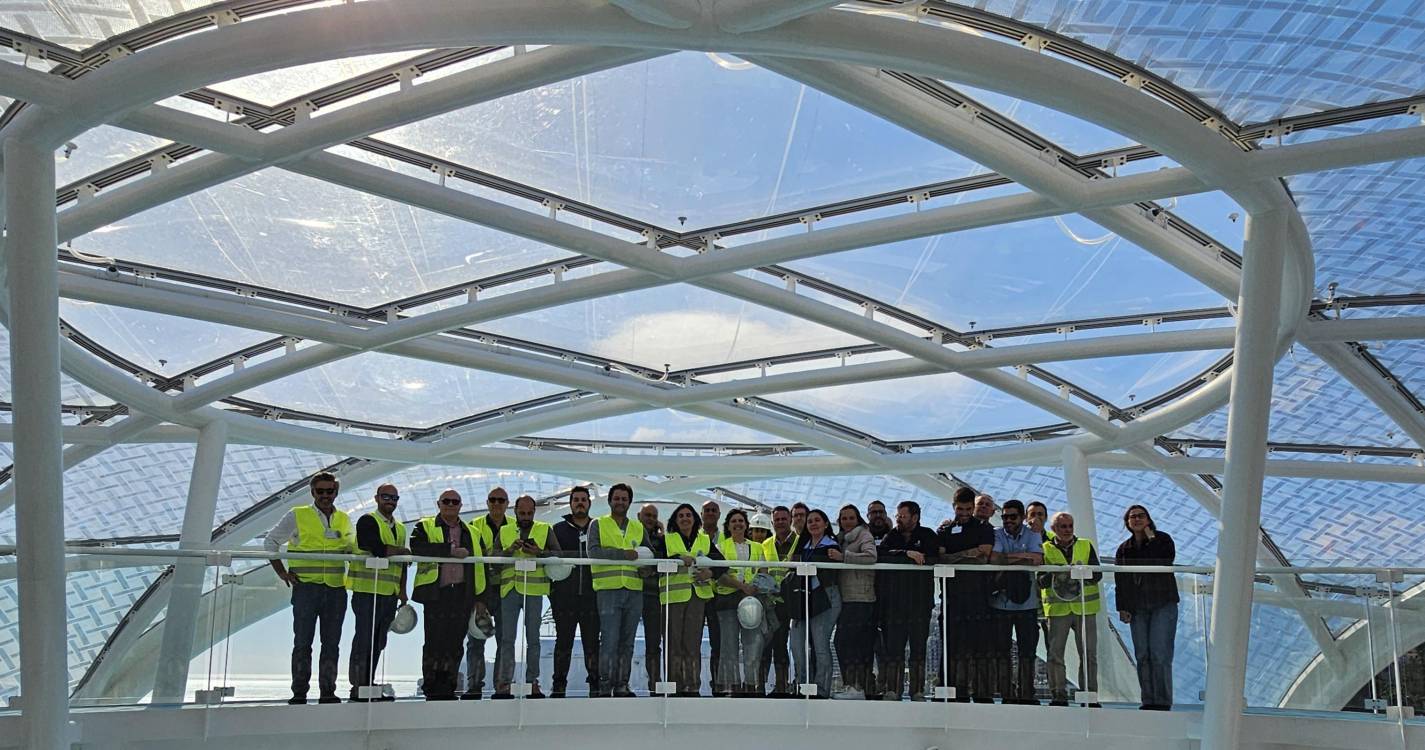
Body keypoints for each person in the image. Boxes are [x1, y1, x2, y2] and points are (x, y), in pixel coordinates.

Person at [267, 472, 354, 705]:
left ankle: (328, 691)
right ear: (312, 492)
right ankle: (299, 692)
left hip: (336, 589)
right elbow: (270, 541)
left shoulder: (344, 519)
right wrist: (281, 572)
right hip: (306, 589)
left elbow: (350, 548)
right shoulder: (297, 515)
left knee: (331, 644)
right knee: (303, 642)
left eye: (330, 491)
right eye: (320, 491)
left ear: (336, 491)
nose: (325, 496)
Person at [410, 489, 487, 701]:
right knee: (434, 641)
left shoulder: (472, 532)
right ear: (438, 504)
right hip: (436, 593)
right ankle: (432, 687)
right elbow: (417, 547)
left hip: (462, 594)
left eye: (455, 502)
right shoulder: (424, 526)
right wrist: (450, 552)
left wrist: (480, 598)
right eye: (446, 501)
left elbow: (481, 565)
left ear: (461, 506)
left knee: (455, 642)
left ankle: (449, 686)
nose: (450, 505)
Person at [345, 483, 409, 702]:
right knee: (364, 639)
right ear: (376, 498)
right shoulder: (368, 521)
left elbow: (402, 563)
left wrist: (402, 591)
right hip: (366, 592)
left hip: (388, 593)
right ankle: (358, 687)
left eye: (394, 497)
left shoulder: (399, 528)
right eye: (385, 497)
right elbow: (374, 546)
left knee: (378, 641)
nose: (389, 501)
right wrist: (399, 551)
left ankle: (369, 685)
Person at [492, 494, 560, 699]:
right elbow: (493, 558)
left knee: (533, 639)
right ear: (515, 511)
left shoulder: (544, 529)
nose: (526, 516)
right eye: (522, 513)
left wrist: (539, 552)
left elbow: (558, 555)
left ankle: (532, 682)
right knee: (507, 638)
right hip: (510, 589)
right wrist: (509, 550)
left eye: (530, 513)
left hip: (534, 590)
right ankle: (504, 683)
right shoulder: (504, 531)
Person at [1115, 505, 1178, 711]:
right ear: (1127, 523)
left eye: (1141, 516)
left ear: (1148, 519)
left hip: (1162, 603)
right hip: (1138, 607)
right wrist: (1122, 607)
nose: (1137, 520)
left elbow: (1165, 559)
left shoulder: (1162, 540)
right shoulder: (1124, 548)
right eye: (1132, 517)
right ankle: (1148, 699)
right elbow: (1121, 579)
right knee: (1142, 653)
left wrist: (1151, 537)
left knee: (1160, 653)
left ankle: (1162, 700)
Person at [877, 500, 938, 701]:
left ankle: (917, 690)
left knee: (918, 646)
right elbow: (882, 554)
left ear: (915, 517)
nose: (899, 520)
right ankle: (893, 689)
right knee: (894, 646)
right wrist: (907, 554)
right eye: (898, 516)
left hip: (920, 601)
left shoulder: (928, 535)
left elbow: (932, 557)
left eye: (903, 516)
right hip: (895, 602)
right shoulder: (892, 536)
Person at [938, 487, 995, 702]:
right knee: (950, 645)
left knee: (978, 646)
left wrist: (954, 556)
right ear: (954, 507)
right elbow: (940, 558)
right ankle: (950, 690)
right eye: (960, 509)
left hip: (977, 596)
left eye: (968, 509)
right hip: (952, 597)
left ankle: (980, 692)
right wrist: (968, 555)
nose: (963, 513)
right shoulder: (944, 530)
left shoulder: (983, 528)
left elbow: (984, 555)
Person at [1040, 512, 1102, 707]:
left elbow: (1097, 574)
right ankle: (1058, 694)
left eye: (1069, 526)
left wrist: (1082, 573)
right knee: (1055, 653)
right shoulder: (1044, 549)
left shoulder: (1085, 545)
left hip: (1084, 607)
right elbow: (1040, 579)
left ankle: (1089, 695)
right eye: (1062, 527)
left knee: (1089, 653)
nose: (1067, 530)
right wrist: (1058, 575)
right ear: (1054, 530)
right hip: (1058, 609)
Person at [588, 483, 644, 697]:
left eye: (624, 499)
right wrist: (623, 554)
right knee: (609, 640)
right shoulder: (598, 524)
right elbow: (593, 552)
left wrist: (646, 569)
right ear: (609, 501)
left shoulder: (638, 527)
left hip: (634, 590)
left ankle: (622, 684)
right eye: (617, 498)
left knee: (627, 641)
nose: (620, 502)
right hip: (608, 590)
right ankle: (605, 685)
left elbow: (648, 553)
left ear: (629, 502)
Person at [660, 503, 719, 696]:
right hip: (674, 598)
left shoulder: (704, 540)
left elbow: (722, 564)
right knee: (673, 644)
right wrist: (677, 558)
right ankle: (674, 687)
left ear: (695, 519)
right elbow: (655, 562)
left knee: (693, 644)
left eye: (688, 515)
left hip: (697, 598)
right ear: (675, 521)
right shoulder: (666, 540)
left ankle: (692, 686)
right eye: (680, 516)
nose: (685, 519)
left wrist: (709, 572)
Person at [990, 499, 1042, 705]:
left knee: (1027, 649)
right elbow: (994, 558)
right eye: (1005, 517)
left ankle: (1027, 692)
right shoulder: (997, 533)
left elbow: (1037, 559)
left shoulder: (1032, 534)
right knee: (1001, 649)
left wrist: (1008, 556)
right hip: (1001, 603)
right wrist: (1024, 557)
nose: (1008, 520)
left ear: (1021, 517)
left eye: (1012, 517)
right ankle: (1007, 692)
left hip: (1027, 604)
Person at [550, 485, 599, 697]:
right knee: (563, 641)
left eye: (583, 499)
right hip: (564, 596)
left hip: (592, 596)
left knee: (592, 642)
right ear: (570, 503)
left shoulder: (597, 528)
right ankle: (559, 684)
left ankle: (595, 684)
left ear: (589, 503)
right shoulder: (558, 529)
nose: (580, 503)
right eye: (576, 499)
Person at [462, 487, 511, 699]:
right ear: (487, 502)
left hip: (507, 589)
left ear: (507, 503)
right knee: (475, 638)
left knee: (505, 639)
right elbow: (471, 564)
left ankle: (502, 685)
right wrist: (477, 597)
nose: (497, 503)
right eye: (493, 500)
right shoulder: (474, 527)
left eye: (501, 500)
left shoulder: (515, 527)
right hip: (482, 590)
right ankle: (474, 685)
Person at [789, 509, 841, 698]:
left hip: (825, 598)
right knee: (796, 645)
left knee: (820, 645)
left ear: (826, 524)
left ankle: (821, 689)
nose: (813, 524)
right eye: (810, 521)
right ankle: (802, 685)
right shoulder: (804, 545)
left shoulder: (832, 546)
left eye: (817, 520)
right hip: (803, 598)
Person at [714, 509, 766, 696]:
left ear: (746, 525)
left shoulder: (758, 548)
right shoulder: (721, 547)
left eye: (741, 521)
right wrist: (742, 586)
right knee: (729, 645)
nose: (738, 524)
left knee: (753, 644)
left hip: (751, 601)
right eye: (734, 521)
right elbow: (719, 575)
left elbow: (763, 572)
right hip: (727, 600)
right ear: (728, 526)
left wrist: (754, 587)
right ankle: (730, 685)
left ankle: (751, 685)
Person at [834, 504, 876, 700]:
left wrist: (844, 557)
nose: (847, 521)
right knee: (846, 642)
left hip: (860, 597)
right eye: (844, 518)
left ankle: (855, 685)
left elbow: (870, 557)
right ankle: (852, 684)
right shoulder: (841, 539)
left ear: (858, 519)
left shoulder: (863, 536)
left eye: (851, 518)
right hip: (847, 597)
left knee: (847, 642)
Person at [759, 505, 798, 697]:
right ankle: (765, 685)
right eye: (777, 519)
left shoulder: (799, 541)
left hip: (792, 600)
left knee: (789, 643)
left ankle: (784, 684)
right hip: (771, 601)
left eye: (784, 519)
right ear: (772, 522)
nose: (780, 522)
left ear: (790, 520)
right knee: (771, 643)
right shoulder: (765, 545)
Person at [638, 503, 666, 694]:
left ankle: (655, 683)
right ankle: (619, 683)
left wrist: (651, 569)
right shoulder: (629, 535)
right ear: (639, 516)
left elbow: (666, 560)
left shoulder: (662, 540)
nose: (650, 518)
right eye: (647, 515)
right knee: (623, 641)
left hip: (654, 596)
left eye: (653, 516)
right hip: (631, 593)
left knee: (654, 642)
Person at [864, 499, 891, 699]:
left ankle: (886, 685)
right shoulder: (862, 537)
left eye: (881, 512)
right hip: (865, 596)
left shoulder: (894, 536)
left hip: (889, 597)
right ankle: (867, 685)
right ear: (868, 516)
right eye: (873, 513)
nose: (877, 516)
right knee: (866, 644)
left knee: (886, 646)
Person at [699, 499, 723, 692]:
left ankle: (717, 683)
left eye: (714, 510)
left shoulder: (725, 540)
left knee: (718, 642)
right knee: (692, 642)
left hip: (719, 597)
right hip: (697, 595)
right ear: (701, 514)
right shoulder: (694, 538)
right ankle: (692, 683)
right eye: (707, 510)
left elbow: (725, 566)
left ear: (719, 515)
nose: (710, 513)